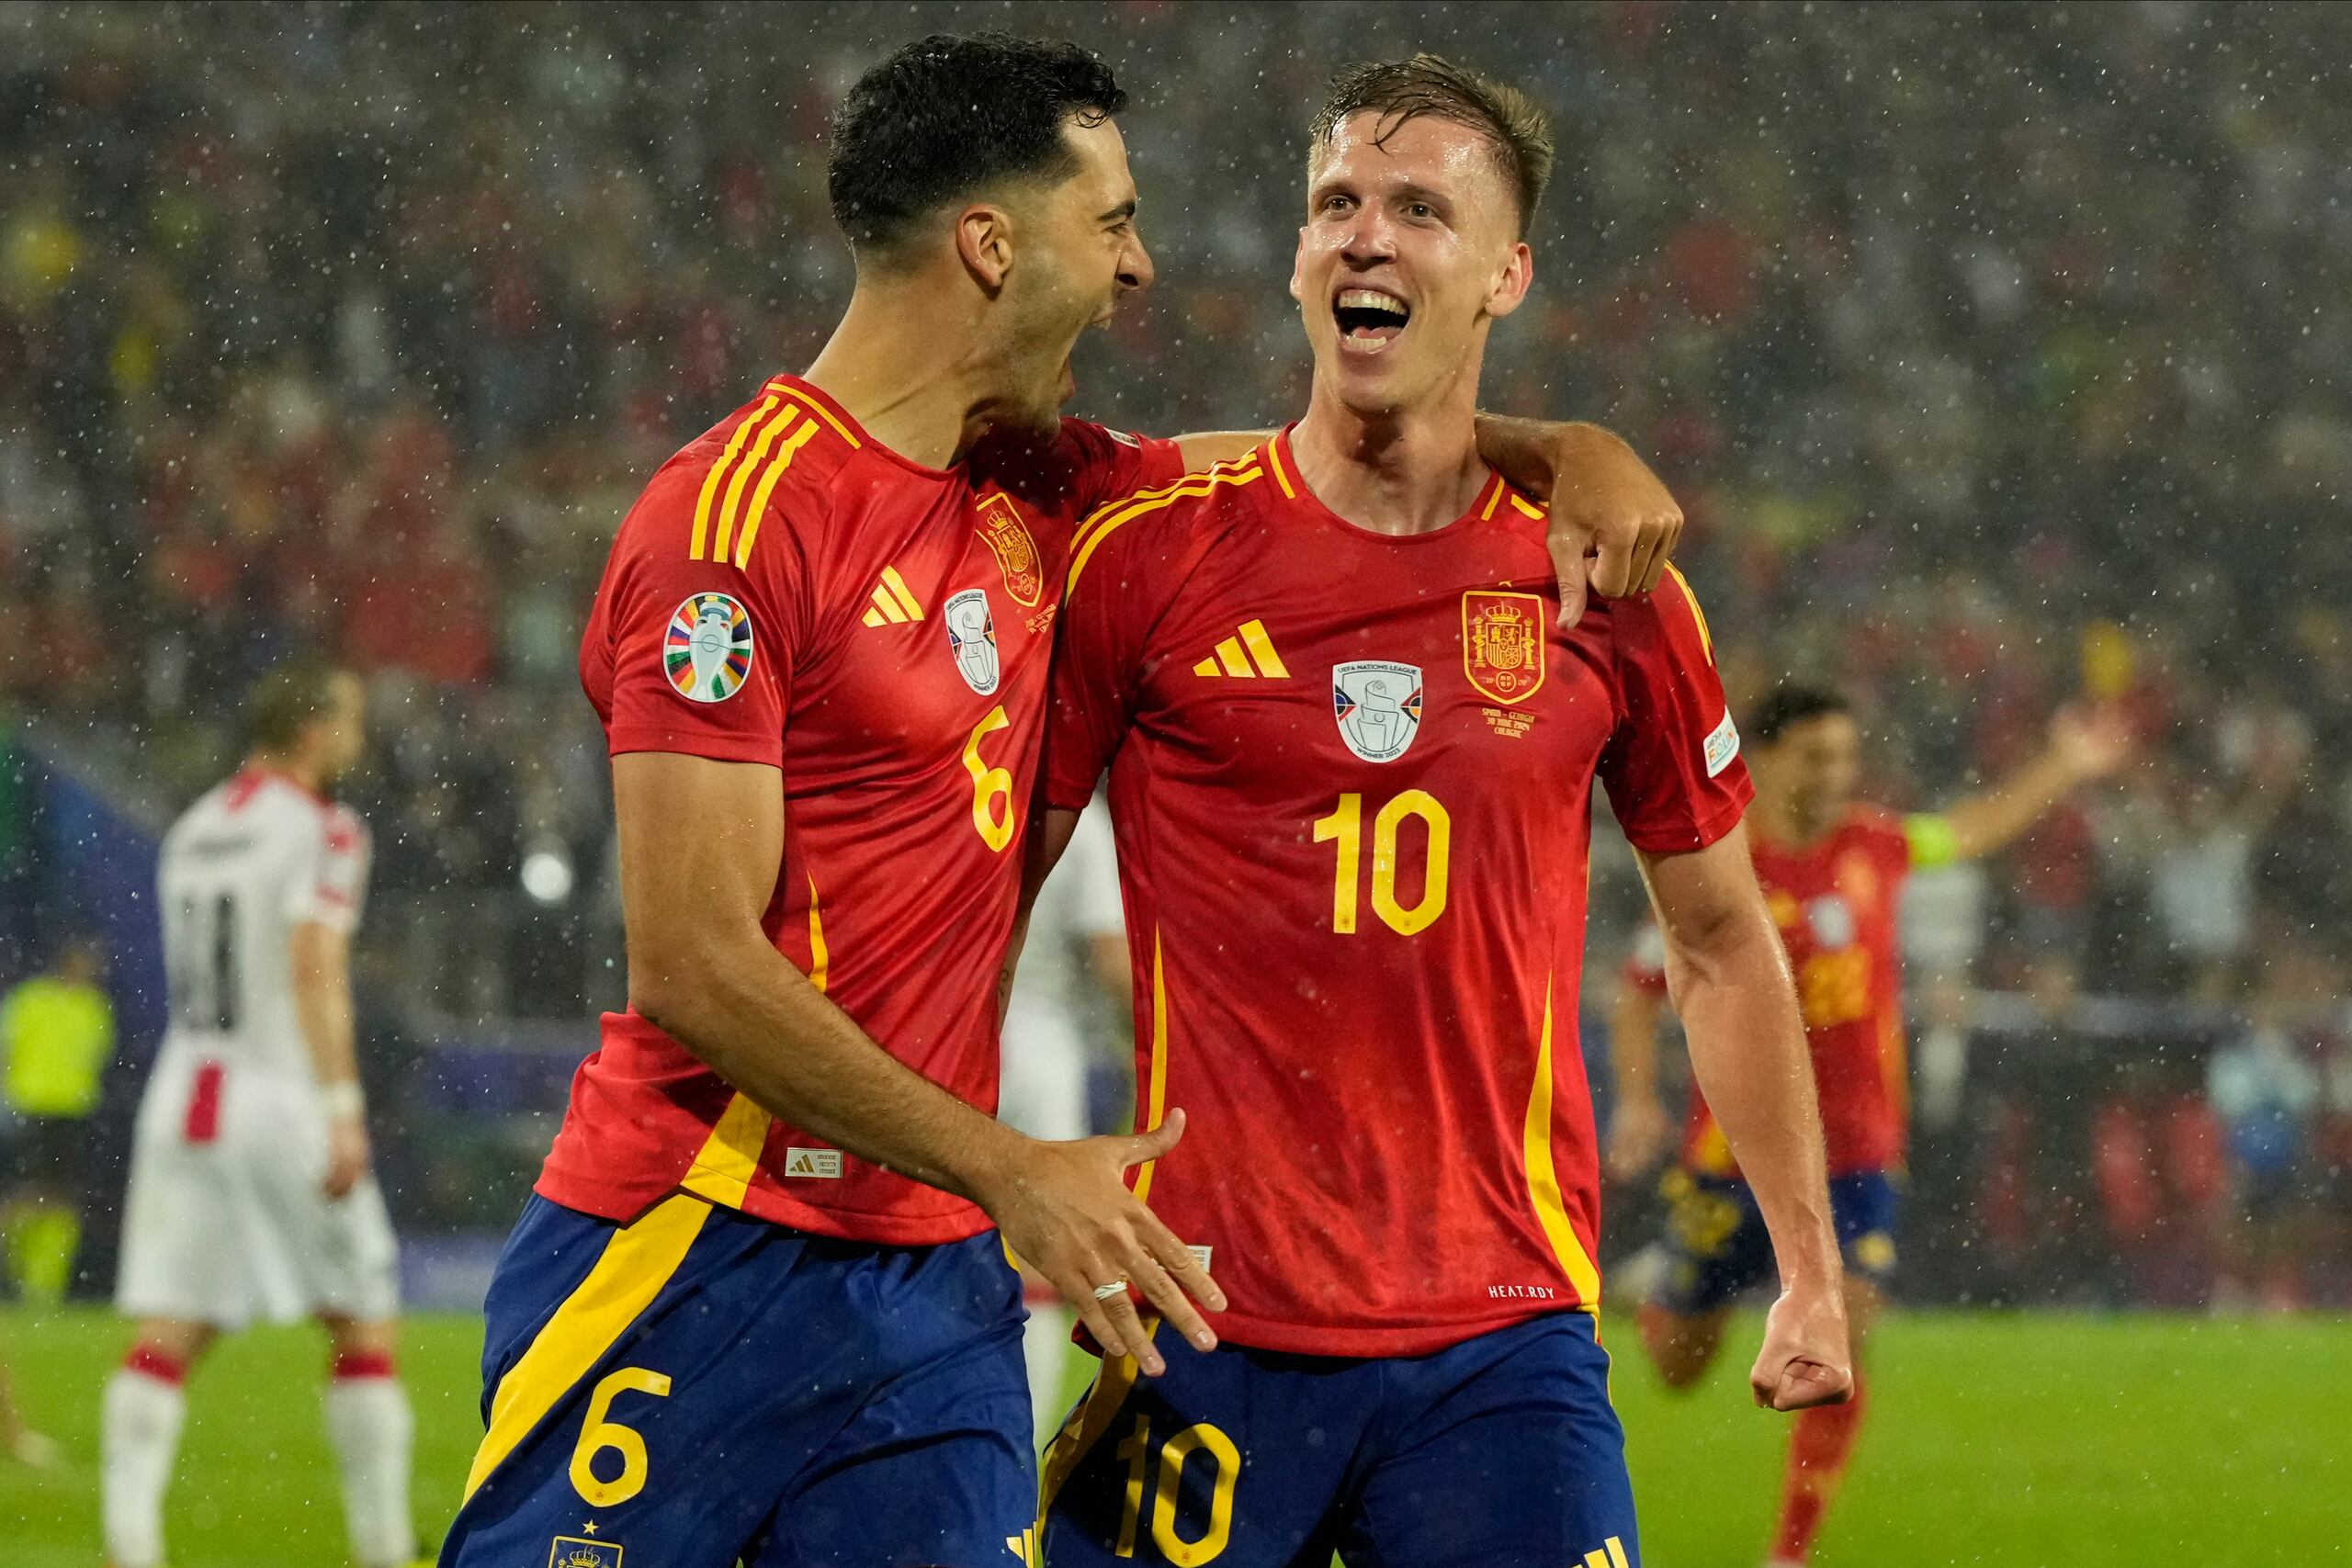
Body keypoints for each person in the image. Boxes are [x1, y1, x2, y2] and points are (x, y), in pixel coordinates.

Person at [441, 32, 1691, 1568]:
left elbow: (1327, 466)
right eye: (1110, 223)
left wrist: (1569, 449)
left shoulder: (1044, 488)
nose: (1141, 267)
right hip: (699, 1235)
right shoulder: (733, 522)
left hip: (932, 1283)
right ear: (990, 244)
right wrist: (1012, 1164)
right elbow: (692, 959)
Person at [1028, 56, 1849, 1568]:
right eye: (1336, 202)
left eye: (1421, 208)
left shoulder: (1610, 583)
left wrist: (1807, 1267)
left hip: (1503, 1344)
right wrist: (987, 1178)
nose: (1367, 237)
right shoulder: (1146, 555)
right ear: (1293, 256)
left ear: (1506, 272)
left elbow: (1725, 939)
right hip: (1206, 1319)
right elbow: (988, 890)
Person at [1607, 682, 2132, 1567]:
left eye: (1846, 755)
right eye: (1816, 756)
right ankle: (1660, 1292)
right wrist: (1637, 1098)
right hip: (1729, 1158)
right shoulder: (1719, 861)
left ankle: (1789, 1553)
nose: (1836, 773)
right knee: (1679, 1367)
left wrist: (2064, 764)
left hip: (1856, 1156)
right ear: (1763, 758)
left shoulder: (1878, 846)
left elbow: (1971, 828)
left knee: (1844, 1336)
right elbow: (1637, 990)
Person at [104, 662, 415, 1568]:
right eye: (350, 719)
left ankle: (129, 1543)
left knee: (171, 1328)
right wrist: (344, 1109)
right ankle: (386, 1547)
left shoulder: (194, 828)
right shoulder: (325, 831)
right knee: (363, 1317)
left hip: (187, 1091)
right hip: (280, 1098)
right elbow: (314, 965)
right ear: (313, 731)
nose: (360, 737)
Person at [1000, 800, 1131, 1444]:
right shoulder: (1085, 824)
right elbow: (1111, 961)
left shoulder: (982, 794)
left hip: (965, 1052)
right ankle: (1018, 1431)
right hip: (1046, 1061)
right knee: (1045, 1267)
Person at [2, 937, 116, 1308]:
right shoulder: (31, 1000)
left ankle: (43, 1288)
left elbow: (97, 1057)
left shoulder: (94, 1007)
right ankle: (18, 1272)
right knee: (31, 1194)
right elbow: (6, 1050)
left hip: (74, 1111)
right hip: (34, 1107)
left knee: (63, 1200)